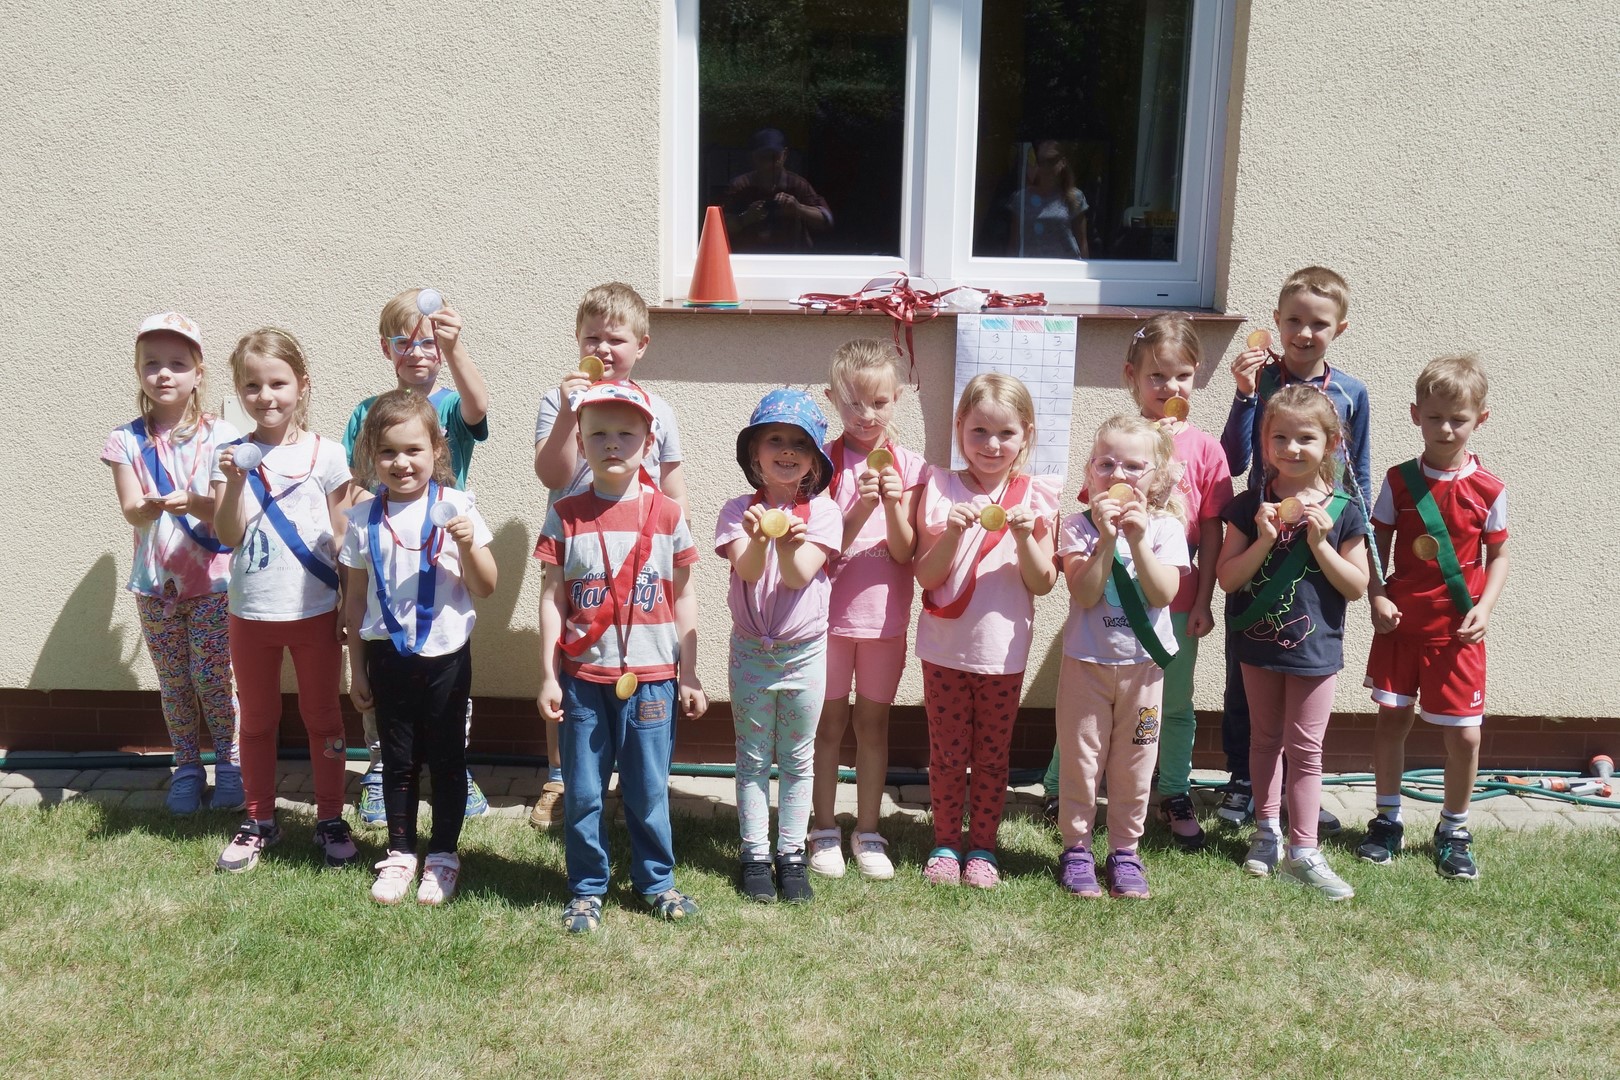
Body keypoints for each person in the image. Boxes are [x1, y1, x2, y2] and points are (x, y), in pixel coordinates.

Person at [1037, 315, 1232, 851]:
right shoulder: (1117, 443)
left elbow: (1210, 529)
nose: (1170, 388)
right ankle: (1059, 787)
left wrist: (1205, 599)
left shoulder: (1206, 449)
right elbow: (1093, 513)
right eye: (1157, 376)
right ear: (1132, 377)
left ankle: (1173, 790)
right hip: (1106, 601)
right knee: (1084, 711)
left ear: (1197, 376)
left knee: (1174, 704)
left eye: (1183, 376)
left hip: (1173, 598)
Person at [535, 381, 707, 933]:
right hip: (583, 679)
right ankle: (587, 887)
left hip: (653, 679)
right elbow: (551, 598)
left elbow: (684, 595)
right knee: (584, 792)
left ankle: (656, 881)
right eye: (599, 434)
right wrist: (548, 675)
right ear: (580, 443)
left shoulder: (669, 514)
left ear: (649, 442)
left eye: (626, 434)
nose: (613, 444)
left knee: (649, 788)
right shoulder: (565, 515)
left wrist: (689, 671)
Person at [1218, 265, 1371, 833]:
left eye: (1319, 324)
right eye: (1294, 321)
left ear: (1340, 329)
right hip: (1262, 532)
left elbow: (1359, 476)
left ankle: (1296, 791)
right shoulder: (1260, 379)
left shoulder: (1352, 392)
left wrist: (1358, 549)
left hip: (1319, 536)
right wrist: (1242, 395)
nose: (1305, 333)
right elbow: (1234, 459)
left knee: (1307, 655)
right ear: (1277, 322)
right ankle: (1243, 778)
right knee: (1248, 665)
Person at [531, 283, 687, 832]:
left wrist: (678, 546)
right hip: (577, 549)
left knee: (633, 654)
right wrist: (566, 412)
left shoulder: (659, 409)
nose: (602, 348)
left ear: (641, 346)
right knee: (571, 655)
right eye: (591, 338)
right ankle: (562, 777)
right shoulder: (559, 399)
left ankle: (633, 782)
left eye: (615, 339)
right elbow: (551, 473)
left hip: (641, 552)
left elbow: (672, 483)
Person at [341, 390, 497, 905]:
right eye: (387, 452)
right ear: (371, 455)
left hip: (447, 655)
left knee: (448, 758)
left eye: (413, 449)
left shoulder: (458, 507)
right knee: (397, 759)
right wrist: (356, 669)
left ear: (437, 449)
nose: (401, 462)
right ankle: (401, 852)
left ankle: (444, 855)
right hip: (387, 656)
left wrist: (468, 543)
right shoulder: (362, 519)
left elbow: (487, 586)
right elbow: (355, 599)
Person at [343, 287, 491, 827]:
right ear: (386, 349)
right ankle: (381, 768)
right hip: (386, 555)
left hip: (443, 557)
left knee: (447, 665)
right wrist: (364, 526)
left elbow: (478, 408)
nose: (417, 352)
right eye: (403, 342)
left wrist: (456, 347)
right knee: (386, 668)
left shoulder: (448, 405)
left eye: (427, 342)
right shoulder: (368, 412)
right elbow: (354, 481)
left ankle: (455, 766)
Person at [211, 329, 357, 873]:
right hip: (251, 612)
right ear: (239, 391)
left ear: (302, 385)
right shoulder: (230, 456)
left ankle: (330, 817)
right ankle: (259, 819)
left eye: (278, 383)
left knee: (324, 717)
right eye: (252, 386)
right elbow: (229, 534)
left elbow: (343, 536)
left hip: (315, 611)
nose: (265, 396)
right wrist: (232, 482)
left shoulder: (328, 454)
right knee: (257, 719)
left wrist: (351, 602)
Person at [1216, 385, 1370, 900]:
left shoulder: (1345, 510)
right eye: (1279, 437)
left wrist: (1321, 545)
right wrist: (1263, 538)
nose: (1292, 448)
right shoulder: (1248, 507)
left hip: (1314, 649)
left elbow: (1356, 585)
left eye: (1306, 437)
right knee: (1263, 739)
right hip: (1256, 644)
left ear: (1331, 444)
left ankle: (1304, 851)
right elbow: (1228, 578)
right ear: (1264, 443)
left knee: (1305, 748)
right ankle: (1266, 833)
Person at [1359, 354, 1508, 880]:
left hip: (1458, 633)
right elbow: (1375, 541)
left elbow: (1499, 555)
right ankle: (1387, 820)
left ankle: (1454, 828)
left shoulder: (1490, 488)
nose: (1445, 429)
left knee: (1465, 737)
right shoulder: (1398, 481)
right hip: (1401, 626)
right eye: (1434, 417)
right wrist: (1376, 595)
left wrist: (1485, 608)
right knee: (1392, 721)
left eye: (1458, 419)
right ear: (1415, 415)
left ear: (1480, 419)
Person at [913, 373, 1060, 888]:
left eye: (1006, 433)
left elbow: (1044, 582)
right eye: (979, 431)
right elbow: (926, 576)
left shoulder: (1037, 496)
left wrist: (1024, 538)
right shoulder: (941, 487)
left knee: (993, 757)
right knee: (947, 755)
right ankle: (945, 843)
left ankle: (983, 848)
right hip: (944, 649)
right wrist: (953, 532)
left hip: (1003, 652)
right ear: (959, 428)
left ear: (1027, 435)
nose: (992, 445)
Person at [102, 312, 242, 814]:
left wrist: (194, 502)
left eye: (178, 364)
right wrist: (147, 507)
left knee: (214, 679)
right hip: (154, 585)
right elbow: (130, 509)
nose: (164, 373)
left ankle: (230, 764)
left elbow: (227, 514)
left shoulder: (223, 436)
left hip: (214, 583)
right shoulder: (124, 440)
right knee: (175, 682)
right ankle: (186, 768)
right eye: (152, 363)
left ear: (199, 374)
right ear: (138, 370)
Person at [806, 341, 926, 882]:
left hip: (884, 622)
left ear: (897, 398)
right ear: (832, 398)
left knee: (873, 725)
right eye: (853, 402)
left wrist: (894, 503)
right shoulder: (821, 463)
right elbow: (825, 548)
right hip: (826, 621)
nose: (866, 414)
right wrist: (860, 506)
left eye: (878, 402)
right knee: (828, 724)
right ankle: (823, 827)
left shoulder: (911, 467)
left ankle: (870, 830)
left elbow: (905, 552)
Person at [1054, 415, 1188, 899]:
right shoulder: (1077, 527)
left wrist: (1136, 539)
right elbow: (1086, 593)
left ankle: (1125, 851)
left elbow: (1163, 591)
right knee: (1081, 761)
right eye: (1106, 463)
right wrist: (1107, 539)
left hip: (1143, 671)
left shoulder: (1166, 528)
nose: (1119, 474)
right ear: (1090, 472)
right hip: (1086, 666)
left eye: (1134, 466)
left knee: (1135, 763)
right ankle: (1076, 849)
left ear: (1157, 476)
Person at [716, 389, 841, 903]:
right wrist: (761, 538)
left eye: (799, 443)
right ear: (755, 454)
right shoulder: (736, 511)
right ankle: (754, 854)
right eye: (775, 440)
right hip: (751, 653)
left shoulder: (825, 514)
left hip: (804, 655)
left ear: (814, 461)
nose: (787, 450)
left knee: (796, 758)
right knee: (751, 758)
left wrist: (789, 543)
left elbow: (797, 575)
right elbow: (747, 570)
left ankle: (790, 855)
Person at [723, 128, 834, 253]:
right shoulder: (740, 186)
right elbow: (720, 227)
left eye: (774, 156)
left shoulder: (797, 185)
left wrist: (798, 208)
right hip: (749, 257)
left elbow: (826, 220)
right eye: (763, 157)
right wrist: (746, 218)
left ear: (785, 155)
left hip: (789, 257)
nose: (769, 163)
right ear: (753, 157)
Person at [1006, 139, 1090, 259]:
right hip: (1032, 266)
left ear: (1063, 162)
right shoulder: (1021, 198)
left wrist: (1085, 268)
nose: (1046, 167)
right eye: (1042, 162)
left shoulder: (1074, 197)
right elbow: (1013, 243)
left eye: (1051, 161)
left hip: (1067, 266)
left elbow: (1082, 242)